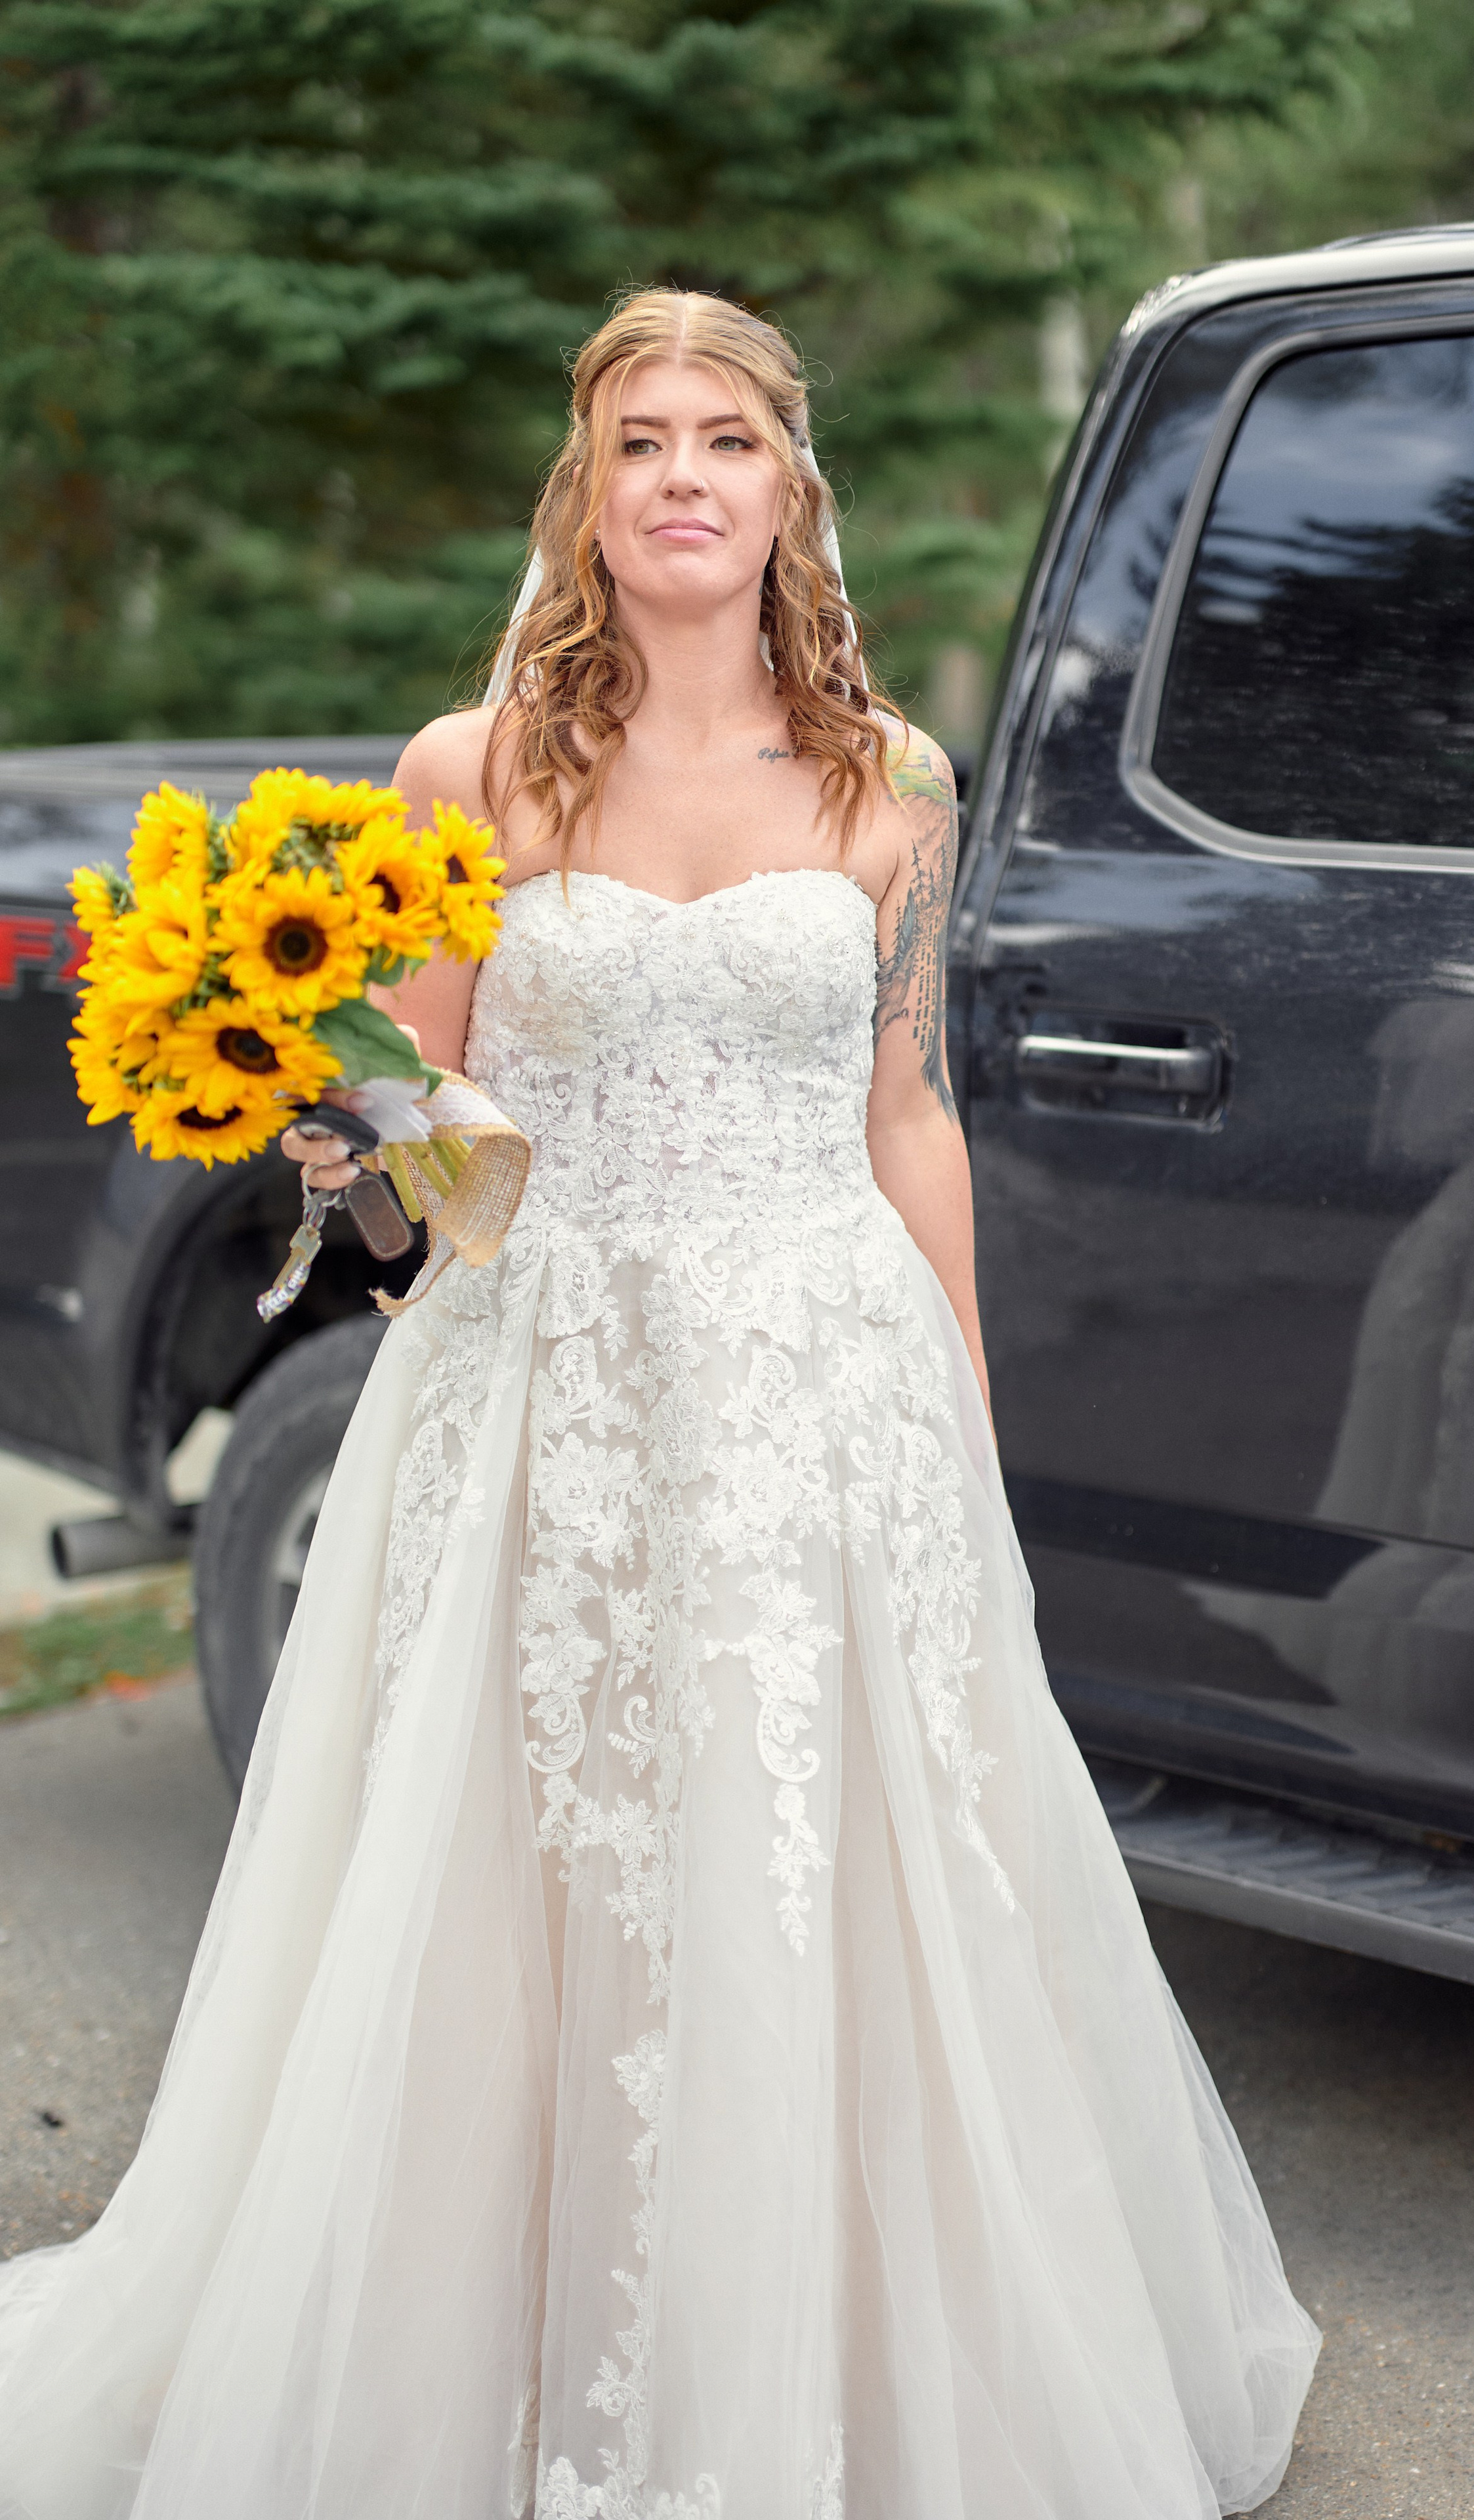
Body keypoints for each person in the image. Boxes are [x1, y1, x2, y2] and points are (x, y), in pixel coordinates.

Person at [0, 290, 1317, 2520]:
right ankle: (486, 2358)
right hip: (551, 1386)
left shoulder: (891, 777)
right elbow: (448, 1127)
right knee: (544, 1862)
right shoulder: (473, 771)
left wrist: (959, 1415)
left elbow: (907, 1116)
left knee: (812, 1862)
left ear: (793, 484)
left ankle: (828, 2371)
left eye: (727, 436)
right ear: (586, 496)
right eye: (640, 440)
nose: (685, 473)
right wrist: (345, 1138)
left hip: (823, 1375)